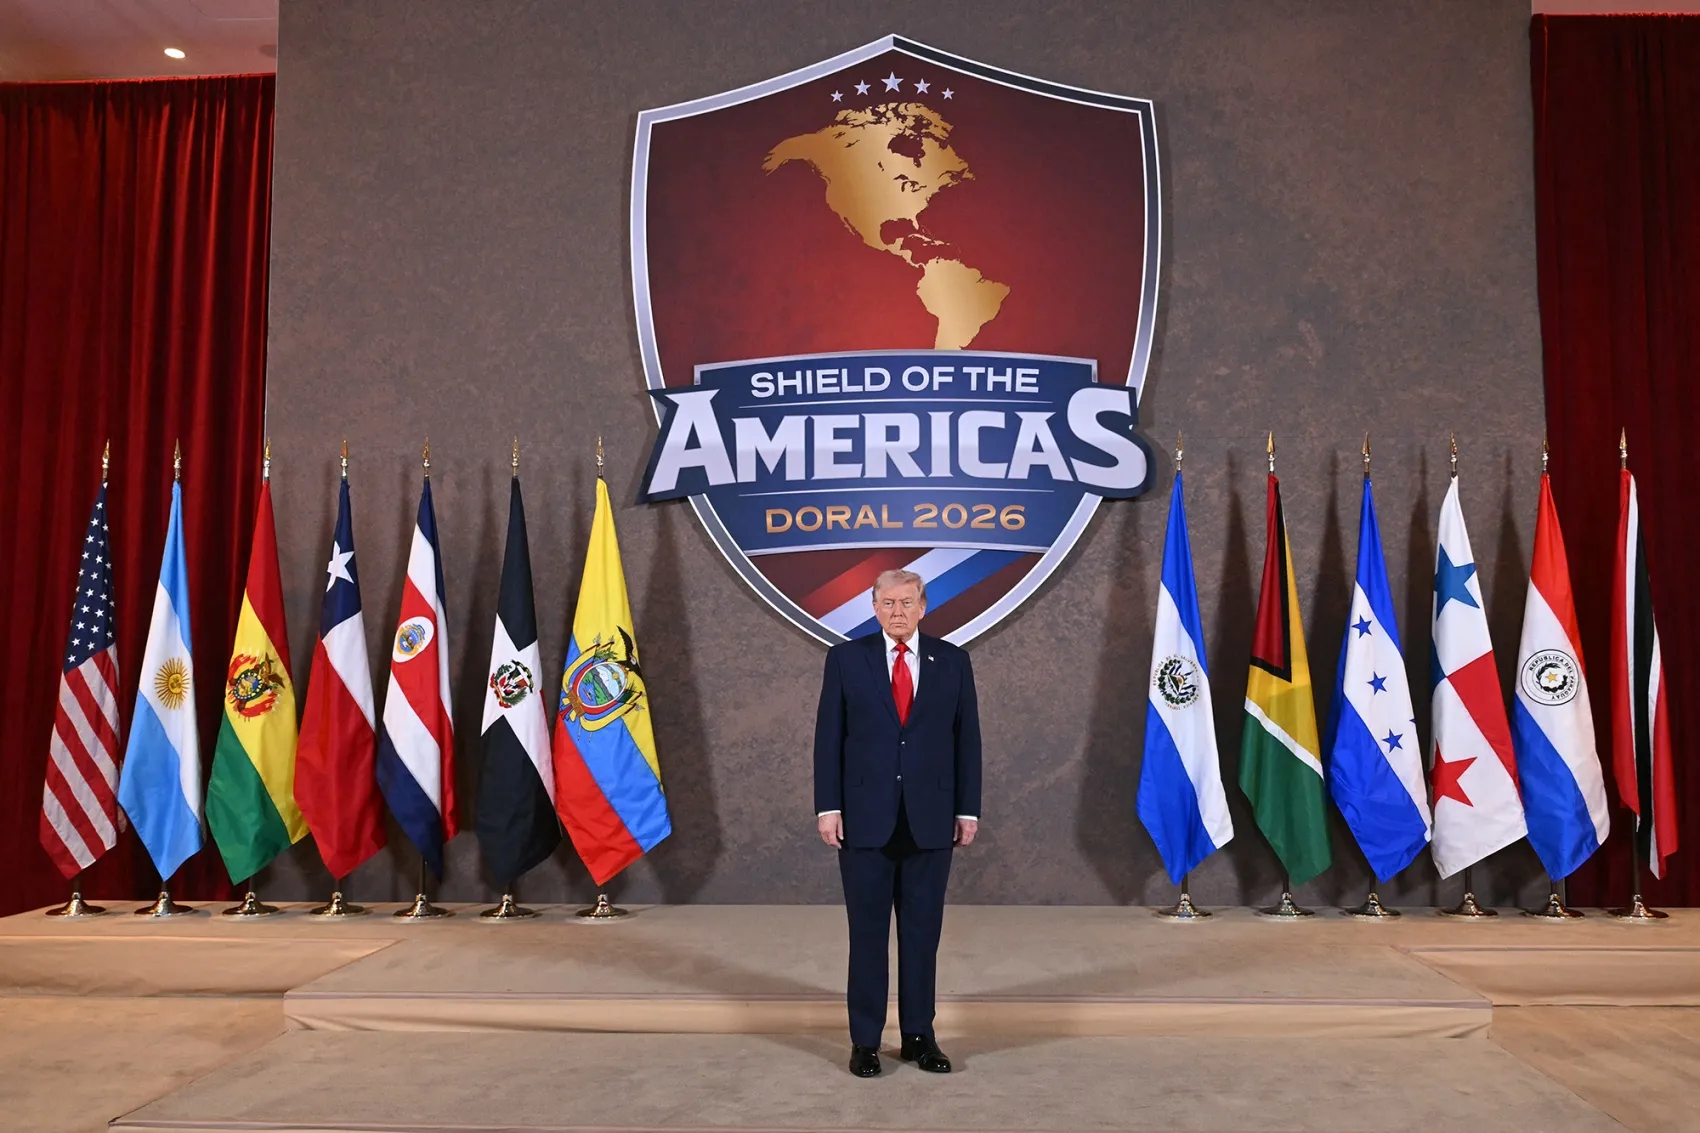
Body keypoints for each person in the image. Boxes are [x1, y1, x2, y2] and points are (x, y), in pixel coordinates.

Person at [813, 568, 981, 1078]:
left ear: (924, 607)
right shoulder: (845, 660)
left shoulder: (953, 661)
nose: (897, 612)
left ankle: (918, 1036)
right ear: (873, 606)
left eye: (906, 602)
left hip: (931, 820)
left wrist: (966, 809)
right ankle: (864, 1040)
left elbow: (966, 741)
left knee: (922, 933)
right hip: (864, 820)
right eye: (887, 603)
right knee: (866, 935)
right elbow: (828, 739)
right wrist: (828, 807)